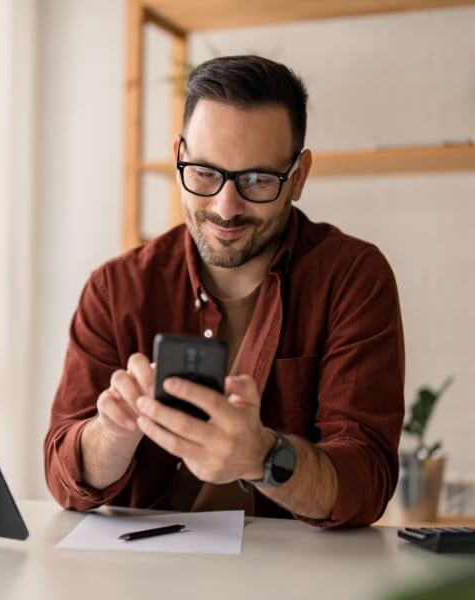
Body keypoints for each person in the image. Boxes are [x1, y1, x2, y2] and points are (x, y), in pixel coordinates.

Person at [43, 55, 405, 527]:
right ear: (178, 156)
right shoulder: (115, 290)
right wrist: (111, 434)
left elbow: (367, 479)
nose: (225, 207)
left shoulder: (353, 279)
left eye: (257, 180)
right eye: (205, 173)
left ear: (298, 177)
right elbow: (62, 475)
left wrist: (265, 457)